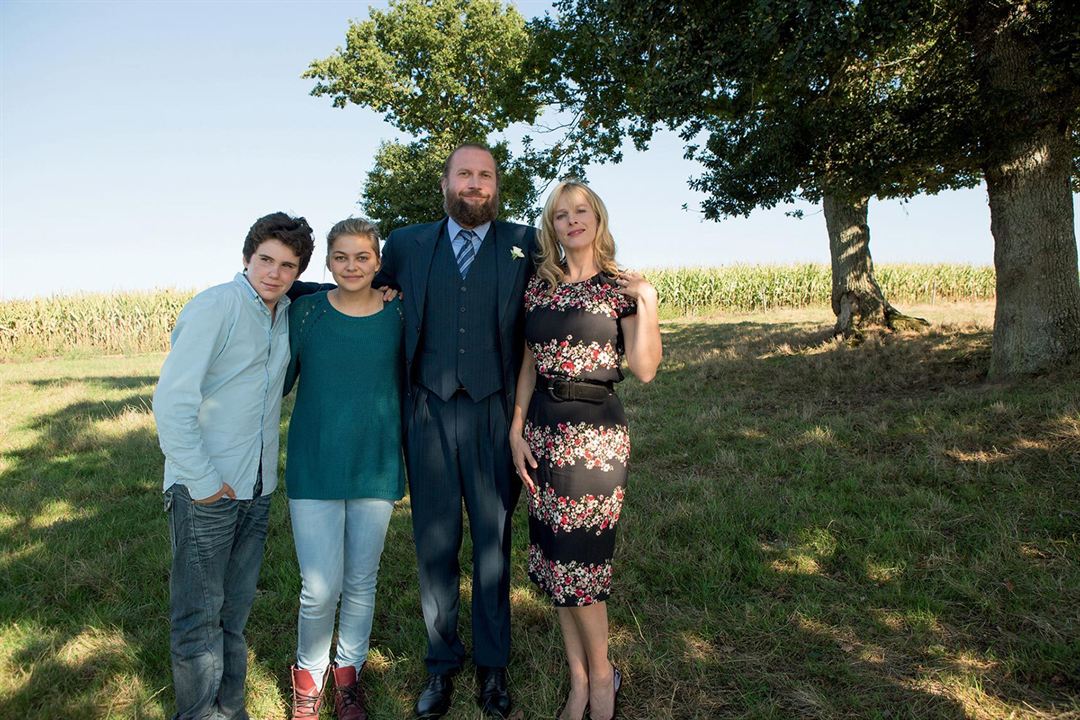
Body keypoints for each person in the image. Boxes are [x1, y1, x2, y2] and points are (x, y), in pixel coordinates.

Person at [376, 143, 538, 719]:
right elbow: (362, 293)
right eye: (464, 174)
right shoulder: (404, 244)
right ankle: (441, 665)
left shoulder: (526, 243)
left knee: (494, 543)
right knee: (434, 544)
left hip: (496, 412)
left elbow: (573, 287)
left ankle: (493, 669)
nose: (475, 184)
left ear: (497, 186)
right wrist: (284, 291)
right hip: (427, 410)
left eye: (485, 176)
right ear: (445, 183)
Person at [509, 181, 661, 720]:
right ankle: (579, 677)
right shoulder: (539, 288)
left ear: (597, 219)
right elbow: (528, 363)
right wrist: (517, 428)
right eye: (559, 215)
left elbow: (643, 368)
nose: (571, 221)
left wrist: (648, 302)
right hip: (544, 431)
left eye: (580, 212)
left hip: (595, 434)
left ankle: (602, 679)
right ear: (551, 227)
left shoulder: (620, 287)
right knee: (554, 562)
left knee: (581, 564)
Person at [153, 212, 315, 720]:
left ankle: (231, 709)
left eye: (287, 266)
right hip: (207, 490)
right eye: (265, 259)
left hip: (257, 489)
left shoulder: (284, 311)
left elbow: (341, 281)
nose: (274, 273)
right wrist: (201, 483)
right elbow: (172, 401)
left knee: (233, 616)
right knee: (198, 619)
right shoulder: (216, 306)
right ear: (247, 257)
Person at [281, 218, 406, 720]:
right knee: (319, 586)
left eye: (362, 257)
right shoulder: (306, 314)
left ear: (378, 262)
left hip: (375, 464)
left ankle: (347, 676)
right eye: (341, 257)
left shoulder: (399, 314)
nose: (351, 266)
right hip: (314, 464)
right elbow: (275, 381)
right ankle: (308, 679)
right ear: (327, 262)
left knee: (361, 579)